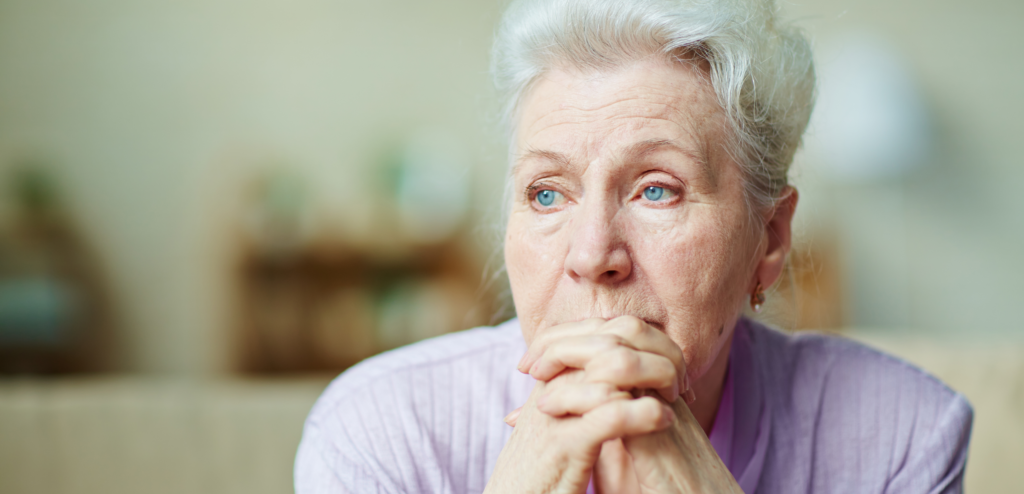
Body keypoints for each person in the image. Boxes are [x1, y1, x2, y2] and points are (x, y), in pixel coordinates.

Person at [294, 0, 973, 492]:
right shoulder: (380, 434)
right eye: (547, 193)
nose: (592, 255)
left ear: (768, 239)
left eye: (657, 190)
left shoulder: (903, 437)